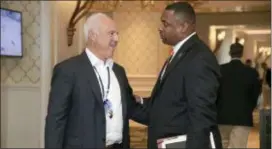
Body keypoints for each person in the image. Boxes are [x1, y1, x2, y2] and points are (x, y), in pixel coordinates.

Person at [44, 13, 143, 149]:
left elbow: (131, 107)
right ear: (93, 36)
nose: (116, 39)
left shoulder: (119, 71)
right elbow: (55, 122)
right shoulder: (68, 70)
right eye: (111, 33)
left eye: (117, 34)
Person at [134, 2, 222, 149]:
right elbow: (169, 104)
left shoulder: (199, 58)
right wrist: (136, 101)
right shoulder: (180, 55)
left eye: (165, 24)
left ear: (183, 27)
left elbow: (200, 118)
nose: (160, 28)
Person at [217, 42, 261, 148]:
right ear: (242, 54)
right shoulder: (251, 72)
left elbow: (214, 92)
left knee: (221, 145)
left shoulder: (219, 70)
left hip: (222, 116)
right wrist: (248, 108)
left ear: (229, 53)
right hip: (243, 117)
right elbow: (255, 95)